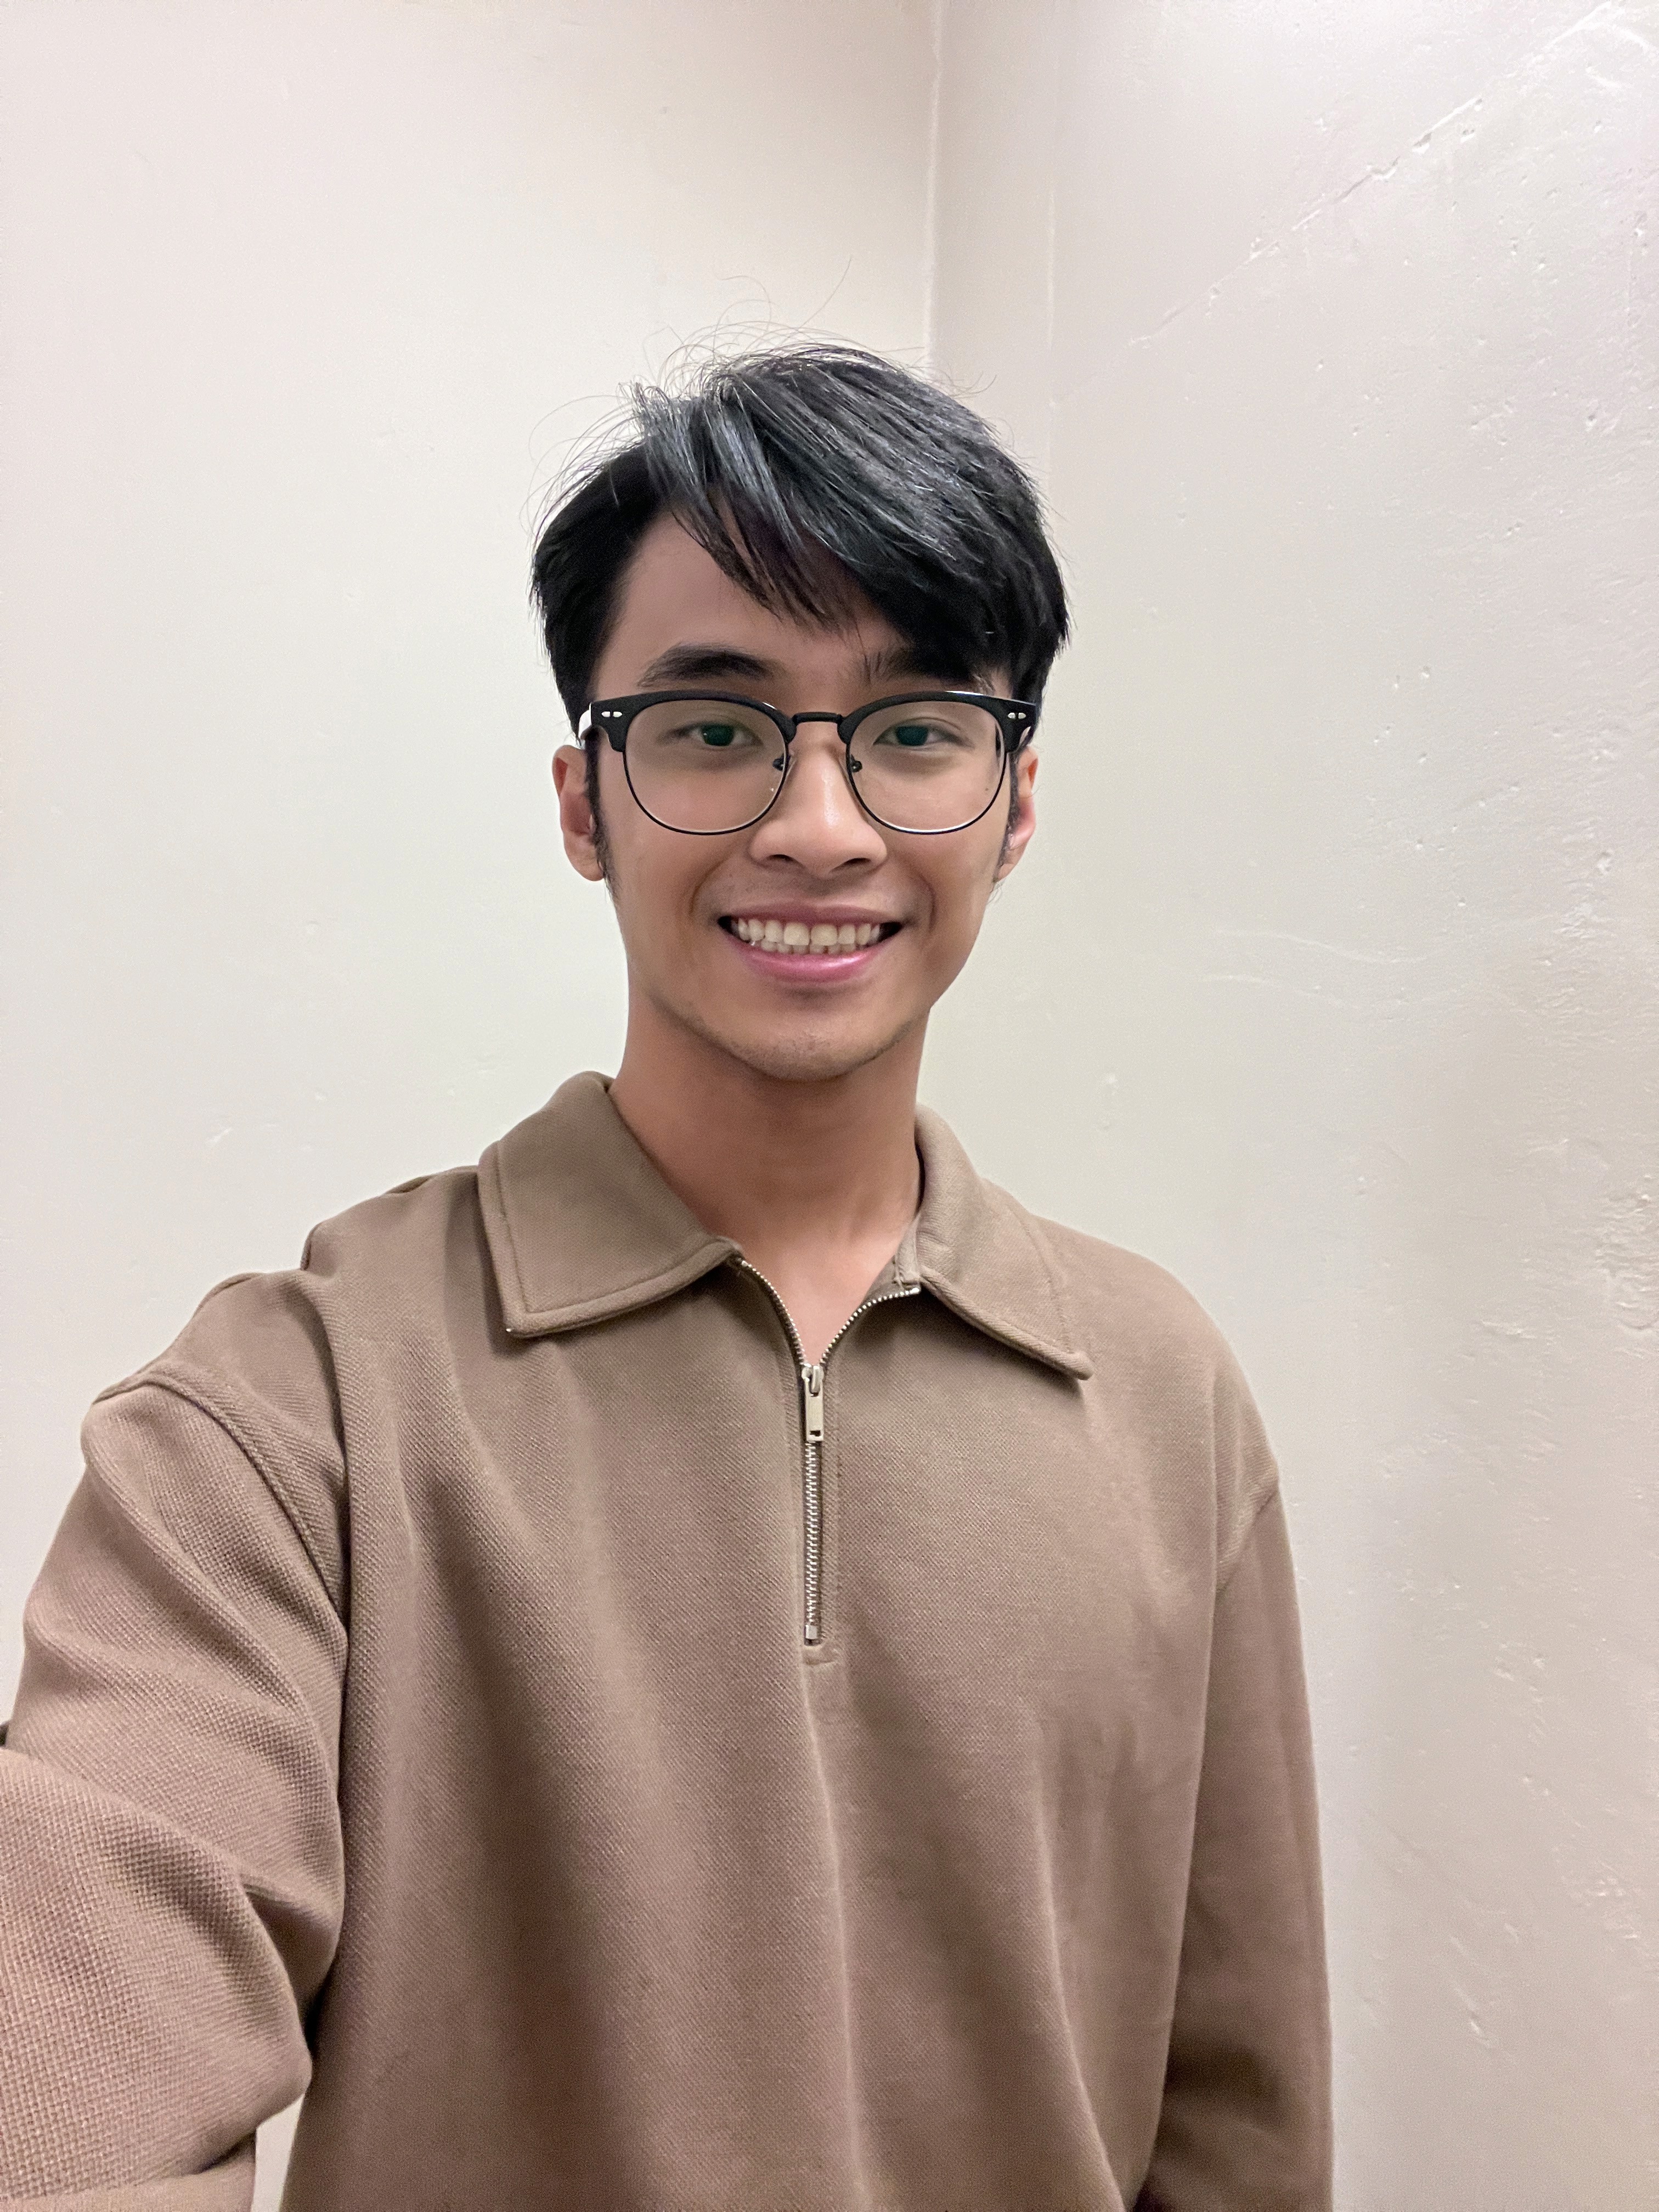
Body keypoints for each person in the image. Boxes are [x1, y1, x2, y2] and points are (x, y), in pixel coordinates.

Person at [0, 345, 1331, 2210]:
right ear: (585, 803)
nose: (819, 824)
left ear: (1016, 802)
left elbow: (1239, 2117)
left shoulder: (1163, 1392)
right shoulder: (294, 1407)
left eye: (915, 730)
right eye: (714, 728)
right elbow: (77, 2087)